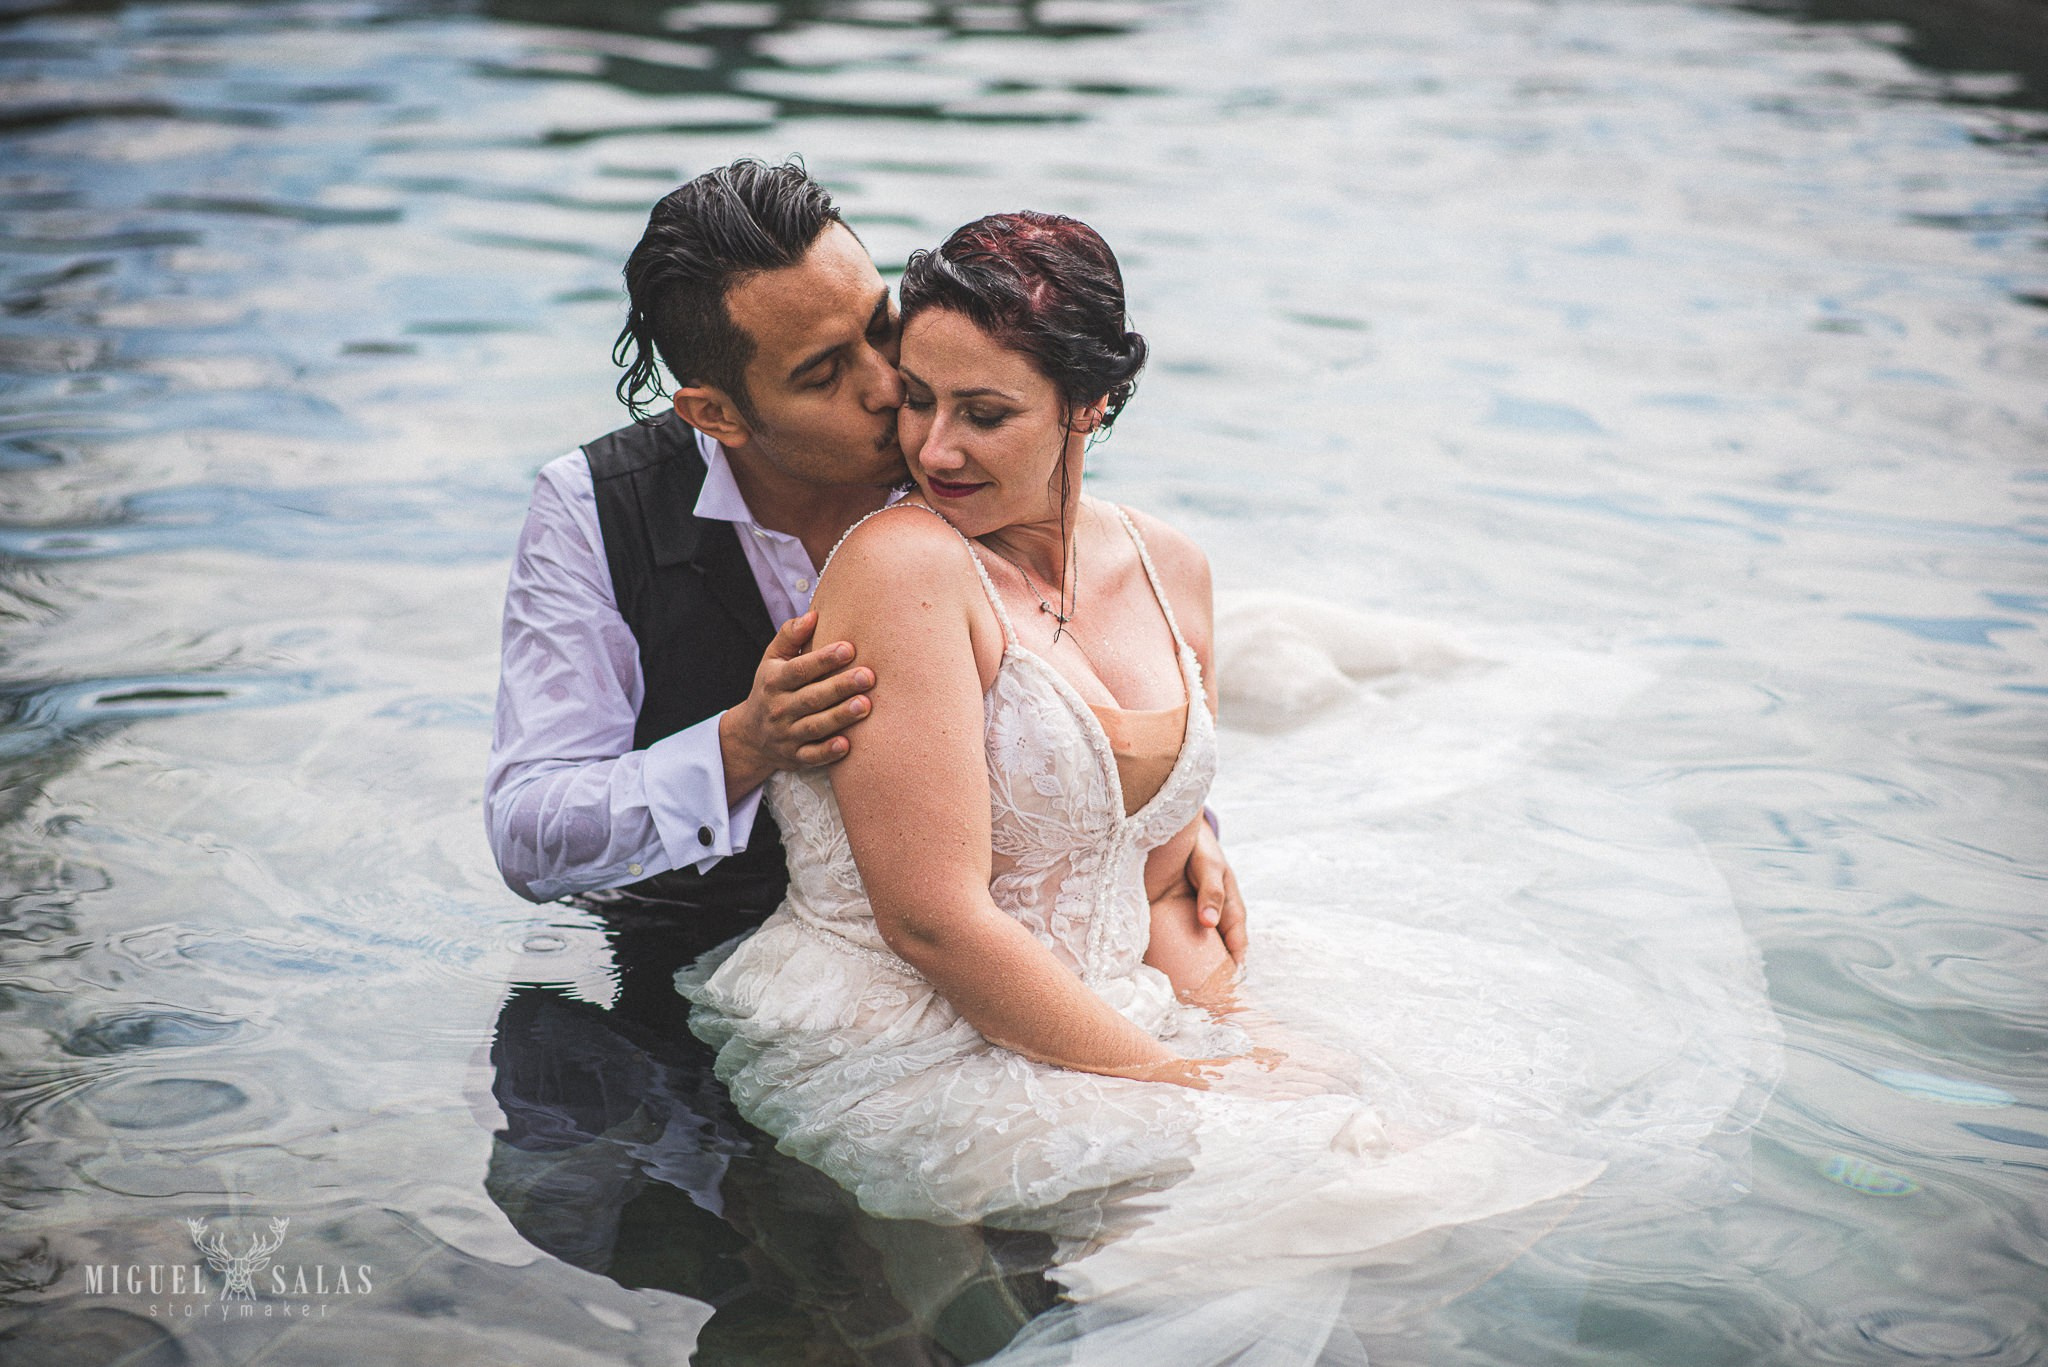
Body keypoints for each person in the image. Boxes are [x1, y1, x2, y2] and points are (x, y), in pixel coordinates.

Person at [676, 211, 1739, 1362]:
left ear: (1089, 404)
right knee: (1278, 1190)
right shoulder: (904, 564)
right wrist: (1187, 1078)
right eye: (918, 399)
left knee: (1458, 1148)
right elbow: (931, 919)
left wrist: (1242, 1026)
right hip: (903, 1027)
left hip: (1107, 987)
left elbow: (1164, 876)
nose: (932, 448)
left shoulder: (1170, 567)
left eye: (984, 414)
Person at [483, 159, 1247, 957]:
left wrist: (1175, 831)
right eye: (824, 373)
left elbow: (1087, 666)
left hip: (999, 950)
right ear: (716, 415)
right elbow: (525, 832)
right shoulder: (593, 508)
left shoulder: (956, 452)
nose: (892, 388)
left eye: (880, 325)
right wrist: (743, 745)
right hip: (684, 943)